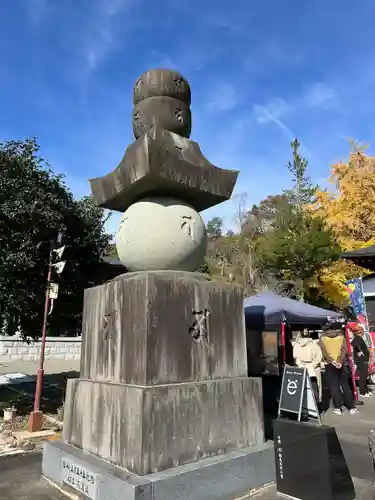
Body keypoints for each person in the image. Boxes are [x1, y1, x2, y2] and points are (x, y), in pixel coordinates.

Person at [319, 321, 358, 415]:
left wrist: (331, 361)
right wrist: (340, 361)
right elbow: (344, 350)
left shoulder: (322, 338)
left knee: (334, 387)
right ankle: (351, 407)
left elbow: (323, 351)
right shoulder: (341, 336)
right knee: (345, 385)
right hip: (341, 364)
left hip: (329, 365)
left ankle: (337, 408)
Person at [293, 328, 323, 405]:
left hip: (301, 369)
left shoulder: (296, 345)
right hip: (313, 369)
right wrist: (313, 365)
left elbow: (295, 357)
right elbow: (319, 357)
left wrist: (300, 365)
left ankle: (304, 405)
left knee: (302, 387)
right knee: (315, 387)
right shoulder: (314, 344)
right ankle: (316, 404)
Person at [348, 322, 371, 398]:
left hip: (363, 359)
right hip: (361, 360)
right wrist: (359, 351)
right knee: (363, 376)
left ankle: (365, 390)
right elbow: (353, 344)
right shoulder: (358, 338)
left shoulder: (358, 338)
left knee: (364, 376)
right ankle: (362, 392)